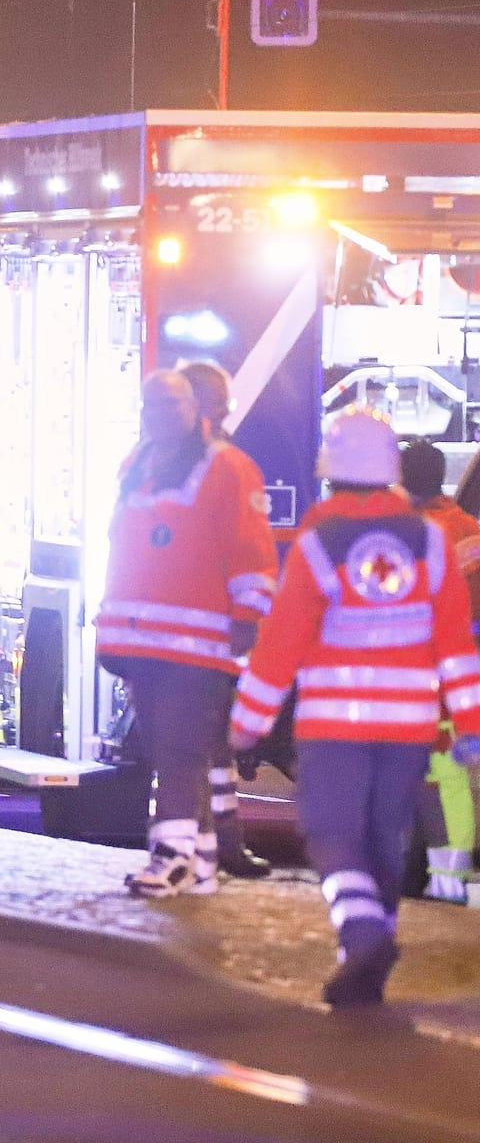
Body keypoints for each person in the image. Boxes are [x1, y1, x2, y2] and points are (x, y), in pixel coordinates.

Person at [232, 408, 480, 1005]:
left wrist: (246, 725)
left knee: (332, 835)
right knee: (381, 839)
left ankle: (363, 933)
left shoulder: (320, 543)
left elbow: (280, 643)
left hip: (335, 727)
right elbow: (455, 644)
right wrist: (470, 726)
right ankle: (367, 957)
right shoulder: (430, 543)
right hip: (410, 728)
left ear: (331, 471)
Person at [96, 371, 277, 895]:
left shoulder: (229, 467)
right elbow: (122, 548)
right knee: (170, 750)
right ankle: (200, 864)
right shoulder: (135, 465)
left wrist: (249, 615)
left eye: (170, 404)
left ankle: (172, 857)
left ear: (190, 407)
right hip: (142, 642)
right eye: (150, 405)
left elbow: (251, 549)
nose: (158, 414)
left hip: (198, 645)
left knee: (179, 751)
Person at [175, 360, 277, 879]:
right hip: (202, 633)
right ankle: (207, 850)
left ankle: (213, 847)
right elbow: (251, 554)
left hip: (185, 635)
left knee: (206, 751)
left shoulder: (160, 461)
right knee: (202, 750)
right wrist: (248, 622)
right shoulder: (225, 464)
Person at [400, 437, 480, 904]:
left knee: (426, 783)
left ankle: (433, 878)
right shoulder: (468, 528)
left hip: (417, 677)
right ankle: (445, 877)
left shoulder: (404, 533)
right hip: (458, 677)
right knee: (448, 781)